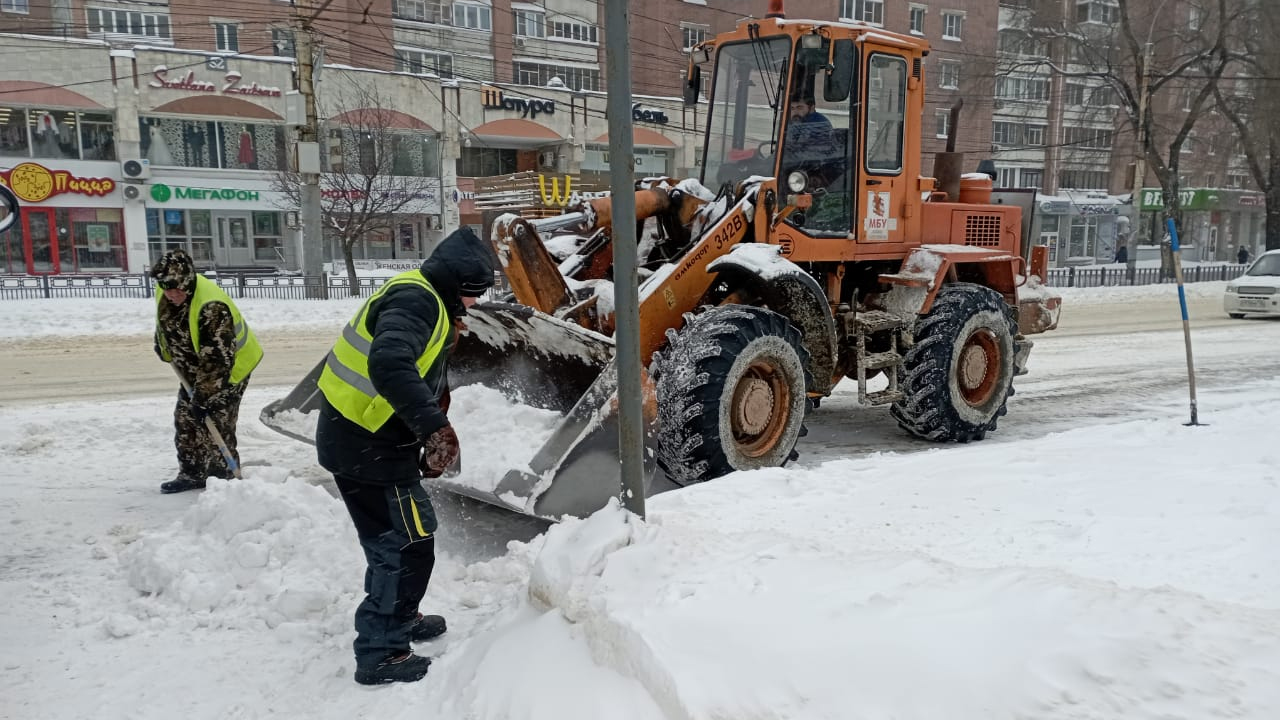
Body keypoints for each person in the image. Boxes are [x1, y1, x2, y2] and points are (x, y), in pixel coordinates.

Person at [315, 226, 495, 686]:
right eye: (472, 294)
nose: (474, 304)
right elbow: (390, 363)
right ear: (457, 284)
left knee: (395, 543)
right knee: (406, 546)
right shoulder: (418, 301)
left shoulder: (422, 293)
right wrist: (434, 428)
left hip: (356, 440)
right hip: (370, 447)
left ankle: (401, 618)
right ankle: (380, 652)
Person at [151, 249, 262, 494]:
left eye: (176, 288)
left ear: (188, 281)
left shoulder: (213, 308)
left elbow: (218, 363)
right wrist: (163, 344)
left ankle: (225, 480)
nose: (171, 293)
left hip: (228, 371)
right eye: (166, 287)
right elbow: (165, 321)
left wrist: (203, 398)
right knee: (186, 419)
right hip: (194, 369)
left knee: (215, 421)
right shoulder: (166, 289)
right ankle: (193, 473)